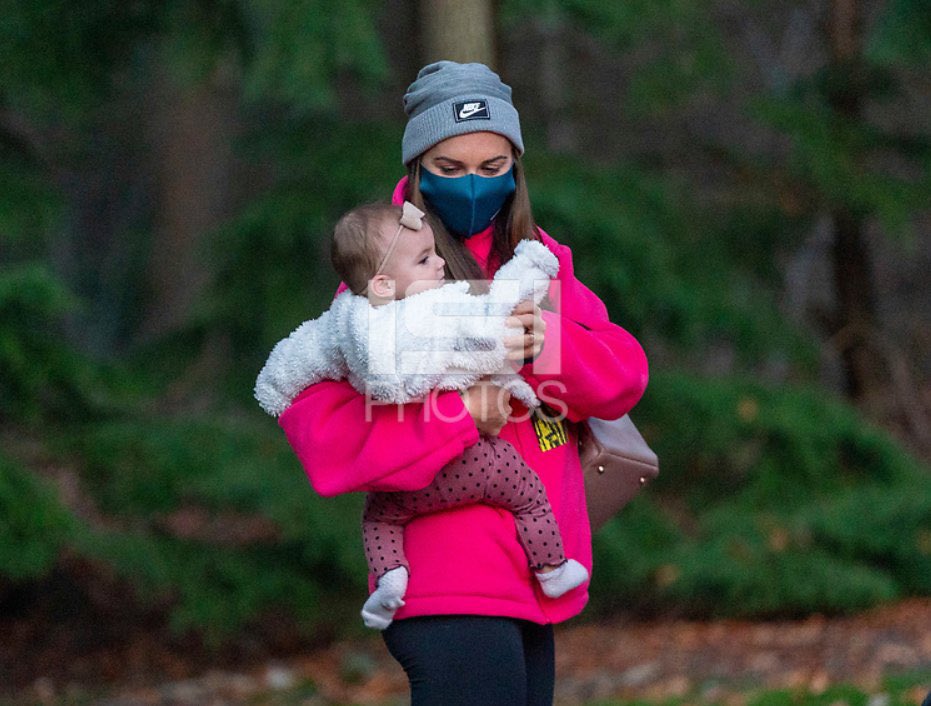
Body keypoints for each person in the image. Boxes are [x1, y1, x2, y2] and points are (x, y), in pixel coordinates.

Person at [274, 60, 649, 705]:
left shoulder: (539, 265)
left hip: (531, 577)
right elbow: (325, 436)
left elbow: (622, 376)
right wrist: (459, 415)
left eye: (492, 167)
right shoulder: (387, 278)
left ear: (516, 169)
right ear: (417, 169)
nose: (472, 185)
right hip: (446, 580)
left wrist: (543, 346)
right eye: (448, 169)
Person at [254, 199, 589, 630]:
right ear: (382, 282)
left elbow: (294, 359)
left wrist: (273, 390)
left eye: (493, 166)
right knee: (527, 492)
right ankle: (553, 566)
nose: (439, 268)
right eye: (425, 259)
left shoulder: (344, 321)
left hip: (416, 500)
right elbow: (491, 322)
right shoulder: (438, 304)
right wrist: (466, 410)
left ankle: (389, 582)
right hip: (466, 515)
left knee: (379, 518)